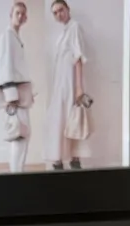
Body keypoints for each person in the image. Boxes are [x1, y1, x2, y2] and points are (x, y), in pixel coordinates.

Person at [0, 2, 34, 173]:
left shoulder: (16, 37)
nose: (20, 16)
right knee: (18, 135)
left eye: (23, 14)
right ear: (11, 15)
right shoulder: (7, 36)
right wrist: (11, 97)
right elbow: (5, 66)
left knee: (24, 134)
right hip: (13, 95)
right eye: (17, 13)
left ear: (26, 18)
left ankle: (18, 171)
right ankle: (16, 174)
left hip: (20, 93)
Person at [44, 0, 87, 170]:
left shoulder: (74, 27)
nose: (58, 14)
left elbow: (78, 58)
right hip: (60, 84)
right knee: (59, 119)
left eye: (60, 10)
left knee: (72, 120)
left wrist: (79, 87)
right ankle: (59, 159)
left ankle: (74, 160)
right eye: (54, 13)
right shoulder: (63, 32)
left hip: (70, 83)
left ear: (68, 9)